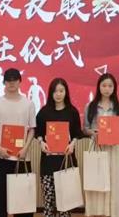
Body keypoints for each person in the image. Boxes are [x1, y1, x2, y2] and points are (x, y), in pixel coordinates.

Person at [0, 68, 37, 217]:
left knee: (23, 203)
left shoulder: (28, 104)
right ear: (4, 83)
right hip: (1, 157)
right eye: (8, 80)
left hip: (22, 157)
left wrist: (25, 149)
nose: (11, 83)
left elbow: (32, 129)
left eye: (15, 80)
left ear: (20, 82)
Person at [83, 73, 119, 217]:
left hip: (114, 149)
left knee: (113, 179)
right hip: (96, 147)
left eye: (110, 86)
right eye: (104, 85)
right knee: (96, 179)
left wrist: (116, 136)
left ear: (114, 88)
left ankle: (113, 212)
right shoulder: (90, 106)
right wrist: (94, 133)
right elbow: (86, 128)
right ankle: (97, 212)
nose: (107, 89)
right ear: (99, 87)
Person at [35, 78, 84, 217]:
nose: (58, 94)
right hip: (48, 162)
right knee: (49, 202)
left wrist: (72, 143)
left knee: (65, 203)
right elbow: (37, 132)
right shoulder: (44, 112)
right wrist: (41, 142)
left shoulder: (72, 111)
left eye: (61, 91)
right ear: (50, 93)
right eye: (55, 91)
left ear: (66, 92)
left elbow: (77, 133)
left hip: (66, 161)